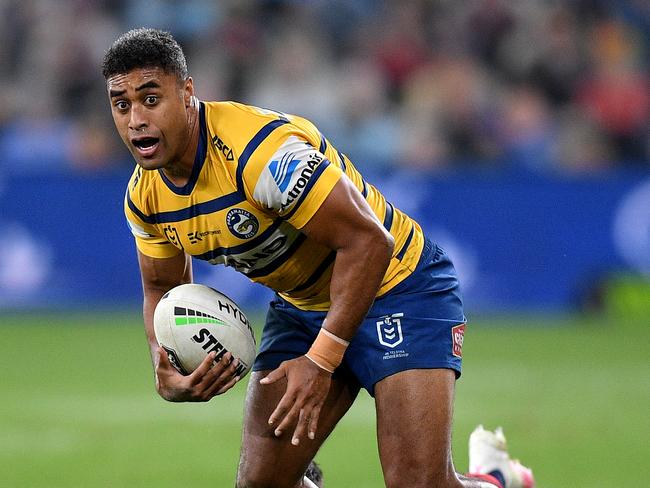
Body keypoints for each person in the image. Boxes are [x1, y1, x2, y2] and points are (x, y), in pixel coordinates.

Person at [102, 28, 534, 488]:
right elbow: (160, 289)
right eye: (121, 104)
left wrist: (322, 361)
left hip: (400, 288)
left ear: (187, 93)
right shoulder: (145, 198)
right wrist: (161, 360)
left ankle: (497, 479)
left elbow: (370, 242)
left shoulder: (261, 155)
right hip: (305, 307)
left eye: (151, 99)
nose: (136, 120)